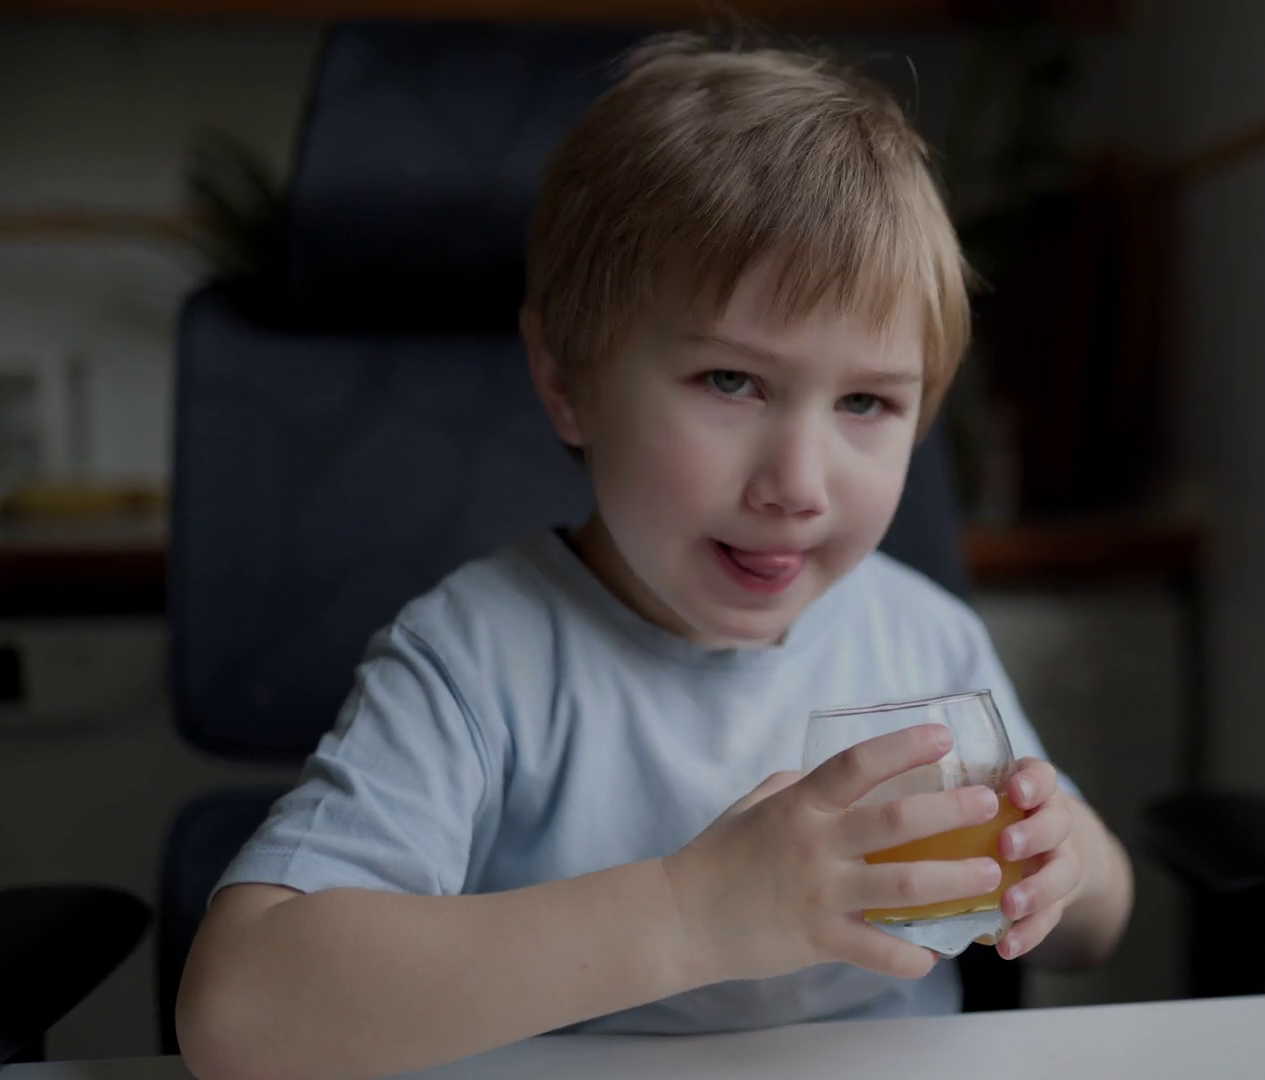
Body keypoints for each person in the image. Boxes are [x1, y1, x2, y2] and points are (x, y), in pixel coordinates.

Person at [175, 34, 1134, 1080]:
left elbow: (1098, 926)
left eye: (866, 401)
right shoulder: (475, 662)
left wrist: (1066, 863)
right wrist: (692, 914)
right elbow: (238, 1012)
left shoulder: (926, 640)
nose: (798, 483)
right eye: (731, 381)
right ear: (566, 381)